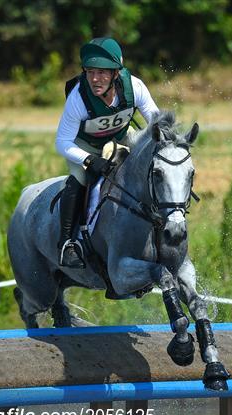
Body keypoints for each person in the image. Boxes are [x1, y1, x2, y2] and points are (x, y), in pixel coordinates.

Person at [55, 37, 159, 268]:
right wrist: (90, 160)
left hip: (121, 136)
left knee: (155, 161)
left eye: (103, 73)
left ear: (115, 74)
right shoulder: (78, 98)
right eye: (90, 71)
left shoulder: (135, 87)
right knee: (79, 179)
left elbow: (156, 123)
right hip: (85, 146)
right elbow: (62, 142)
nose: (94, 79)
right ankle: (67, 243)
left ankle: (165, 218)